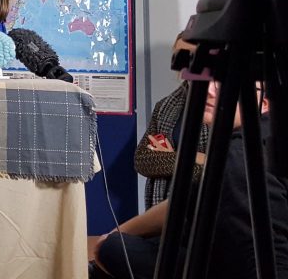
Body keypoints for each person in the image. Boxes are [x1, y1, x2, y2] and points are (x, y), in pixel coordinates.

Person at [90, 80, 288, 279]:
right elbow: (145, 160)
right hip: (193, 228)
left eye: (225, 82)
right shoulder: (168, 106)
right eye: (208, 77)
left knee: (114, 251)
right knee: (114, 247)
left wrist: (194, 159)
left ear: (265, 103)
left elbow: (271, 259)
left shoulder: (241, 160)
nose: (210, 89)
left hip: (220, 254)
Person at [134, 34, 210, 209]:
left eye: (191, 55)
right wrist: (198, 158)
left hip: (201, 210)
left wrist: (169, 157)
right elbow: (143, 160)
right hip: (161, 212)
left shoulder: (223, 107)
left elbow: (220, 169)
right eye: (178, 55)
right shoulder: (166, 106)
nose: (184, 64)